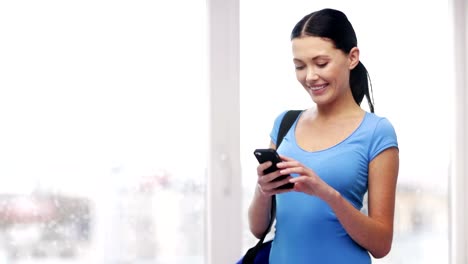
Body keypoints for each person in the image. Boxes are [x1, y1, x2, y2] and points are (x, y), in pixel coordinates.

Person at [247, 8, 399, 263]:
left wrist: (327, 193)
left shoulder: (377, 132)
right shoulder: (285, 124)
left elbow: (381, 245)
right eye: (299, 66)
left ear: (352, 58)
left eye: (321, 63)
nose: (310, 76)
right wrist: (263, 191)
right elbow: (258, 228)